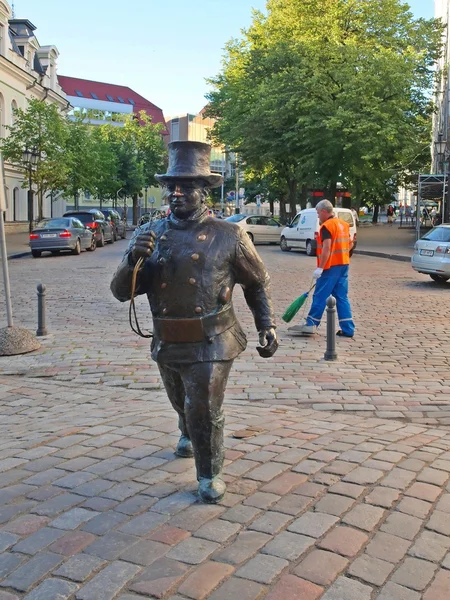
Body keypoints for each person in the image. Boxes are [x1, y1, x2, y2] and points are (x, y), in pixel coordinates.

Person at [110, 141, 278, 503]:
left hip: (212, 339)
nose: (177, 193)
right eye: (172, 186)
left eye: (186, 186)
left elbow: (255, 284)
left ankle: (209, 473)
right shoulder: (150, 235)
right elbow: (121, 292)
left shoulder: (229, 236)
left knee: (202, 406)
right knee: (180, 401)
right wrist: (132, 261)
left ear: (204, 192)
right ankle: (187, 430)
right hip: (168, 339)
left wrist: (267, 324)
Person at [288, 199, 355, 338]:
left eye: (318, 213)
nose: (318, 216)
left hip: (330, 267)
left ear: (324, 211)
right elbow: (350, 243)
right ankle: (348, 329)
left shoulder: (327, 226)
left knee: (319, 295)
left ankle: (311, 324)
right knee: (342, 297)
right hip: (344, 265)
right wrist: (342, 255)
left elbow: (326, 248)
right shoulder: (343, 224)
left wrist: (320, 268)